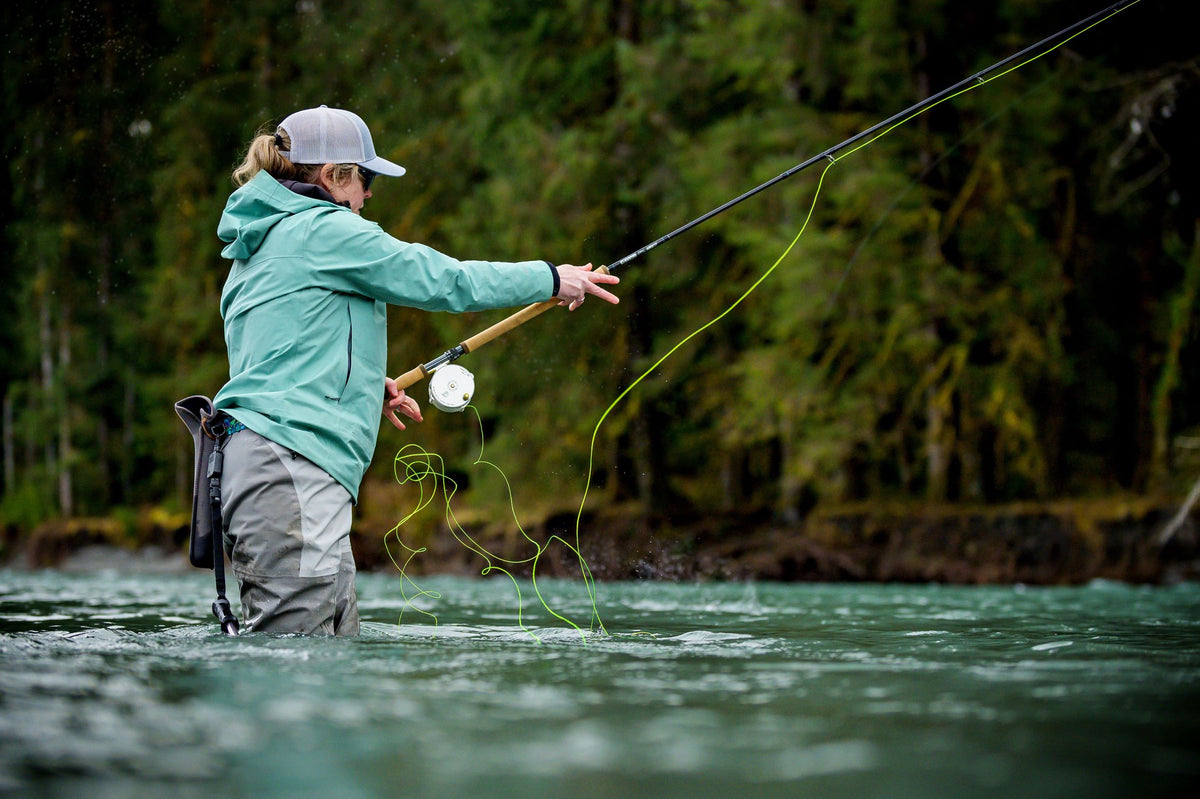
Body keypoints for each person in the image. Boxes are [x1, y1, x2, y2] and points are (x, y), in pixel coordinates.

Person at [211, 105, 619, 635]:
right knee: (297, 661)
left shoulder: (258, 247)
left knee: (326, 644)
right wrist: (549, 278)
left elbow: (273, 355)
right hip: (291, 468)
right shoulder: (325, 230)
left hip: (266, 465)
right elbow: (445, 280)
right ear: (334, 177)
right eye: (367, 177)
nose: (370, 193)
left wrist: (358, 385)